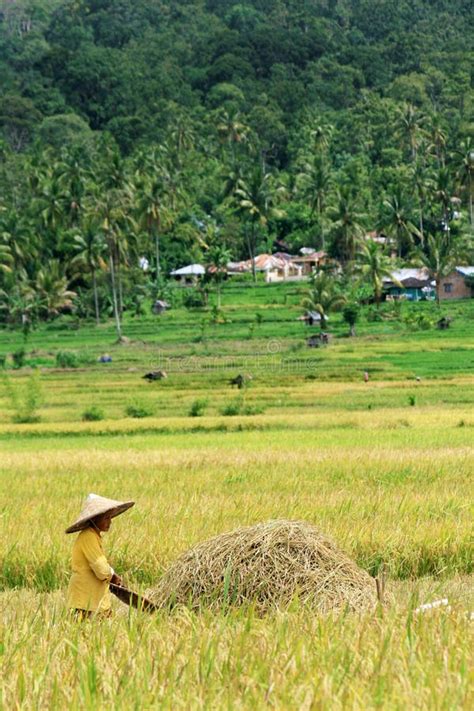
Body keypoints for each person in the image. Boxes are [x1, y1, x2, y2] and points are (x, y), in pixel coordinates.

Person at [65, 493, 134, 618]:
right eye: (106, 518)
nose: (110, 522)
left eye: (110, 517)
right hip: (86, 602)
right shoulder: (88, 537)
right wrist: (112, 576)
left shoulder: (93, 536)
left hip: (93, 600)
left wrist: (112, 575)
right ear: (95, 519)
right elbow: (102, 570)